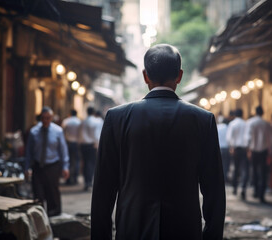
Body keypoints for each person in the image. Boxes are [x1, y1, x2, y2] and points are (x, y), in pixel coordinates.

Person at [91, 44, 226, 240]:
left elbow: (103, 189)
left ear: (146, 76)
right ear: (179, 76)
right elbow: (213, 188)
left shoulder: (117, 118)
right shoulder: (202, 120)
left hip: (133, 227)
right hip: (184, 229)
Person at [25, 106, 70, 217]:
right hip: (38, 166)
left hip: (52, 166)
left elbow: (63, 150)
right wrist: (26, 168)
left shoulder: (58, 131)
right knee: (38, 193)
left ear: (51, 118)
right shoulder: (34, 132)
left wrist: (65, 167)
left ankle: (53, 216)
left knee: (52, 192)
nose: (46, 120)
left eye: (48, 118)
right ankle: (39, 217)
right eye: (43, 118)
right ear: (40, 118)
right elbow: (29, 152)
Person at [245, 106, 272, 203]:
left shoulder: (250, 122)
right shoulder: (266, 123)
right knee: (263, 173)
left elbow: (248, 137)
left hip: (253, 151)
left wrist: (248, 150)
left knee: (254, 171)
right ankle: (261, 195)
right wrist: (270, 152)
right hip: (264, 151)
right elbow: (271, 139)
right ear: (263, 113)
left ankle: (256, 191)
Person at [226, 108, 249, 200]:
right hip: (244, 149)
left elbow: (229, 137)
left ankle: (235, 188)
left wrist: (231, 147)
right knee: (244, 169)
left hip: (235, 149)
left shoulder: (232, 124)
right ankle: (243, 188)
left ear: (235, 115)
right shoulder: (245, 123)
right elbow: (248, 136)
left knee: (236, 168)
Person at [79, 106, 100, 191]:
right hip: (92, 145)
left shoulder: (83, 122)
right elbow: (96, 135)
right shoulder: (96, 121)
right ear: (93, 112)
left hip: (83, 145)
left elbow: (79, 134)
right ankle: (89, 182)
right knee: (91, 164)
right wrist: (97, 145)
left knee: (85, 163)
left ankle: (86, 182)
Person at [61, 109, 81, 185]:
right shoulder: (79, 122)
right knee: (76, 161)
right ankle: (75, 177)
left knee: (68, 160)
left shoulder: (66, 121)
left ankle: (68, 178)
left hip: (68, 143)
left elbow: (62, 132)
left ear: (70, 114)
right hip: (76, 143)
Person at [217, 113, 230, 184]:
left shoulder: (218, 127)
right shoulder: (228, 127)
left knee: (219, 164)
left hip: (219, 147)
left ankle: (219, 178)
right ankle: (224, 178)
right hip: (226, 148)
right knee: (226, 164)